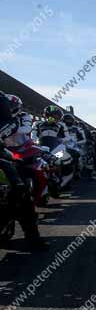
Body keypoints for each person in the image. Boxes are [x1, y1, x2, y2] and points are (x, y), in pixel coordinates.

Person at [0, 92, 47, 249]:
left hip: (11, 151)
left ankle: (33, 238)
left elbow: (18, 127)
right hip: (8, 149)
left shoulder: (14, 114)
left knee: (20, 190)